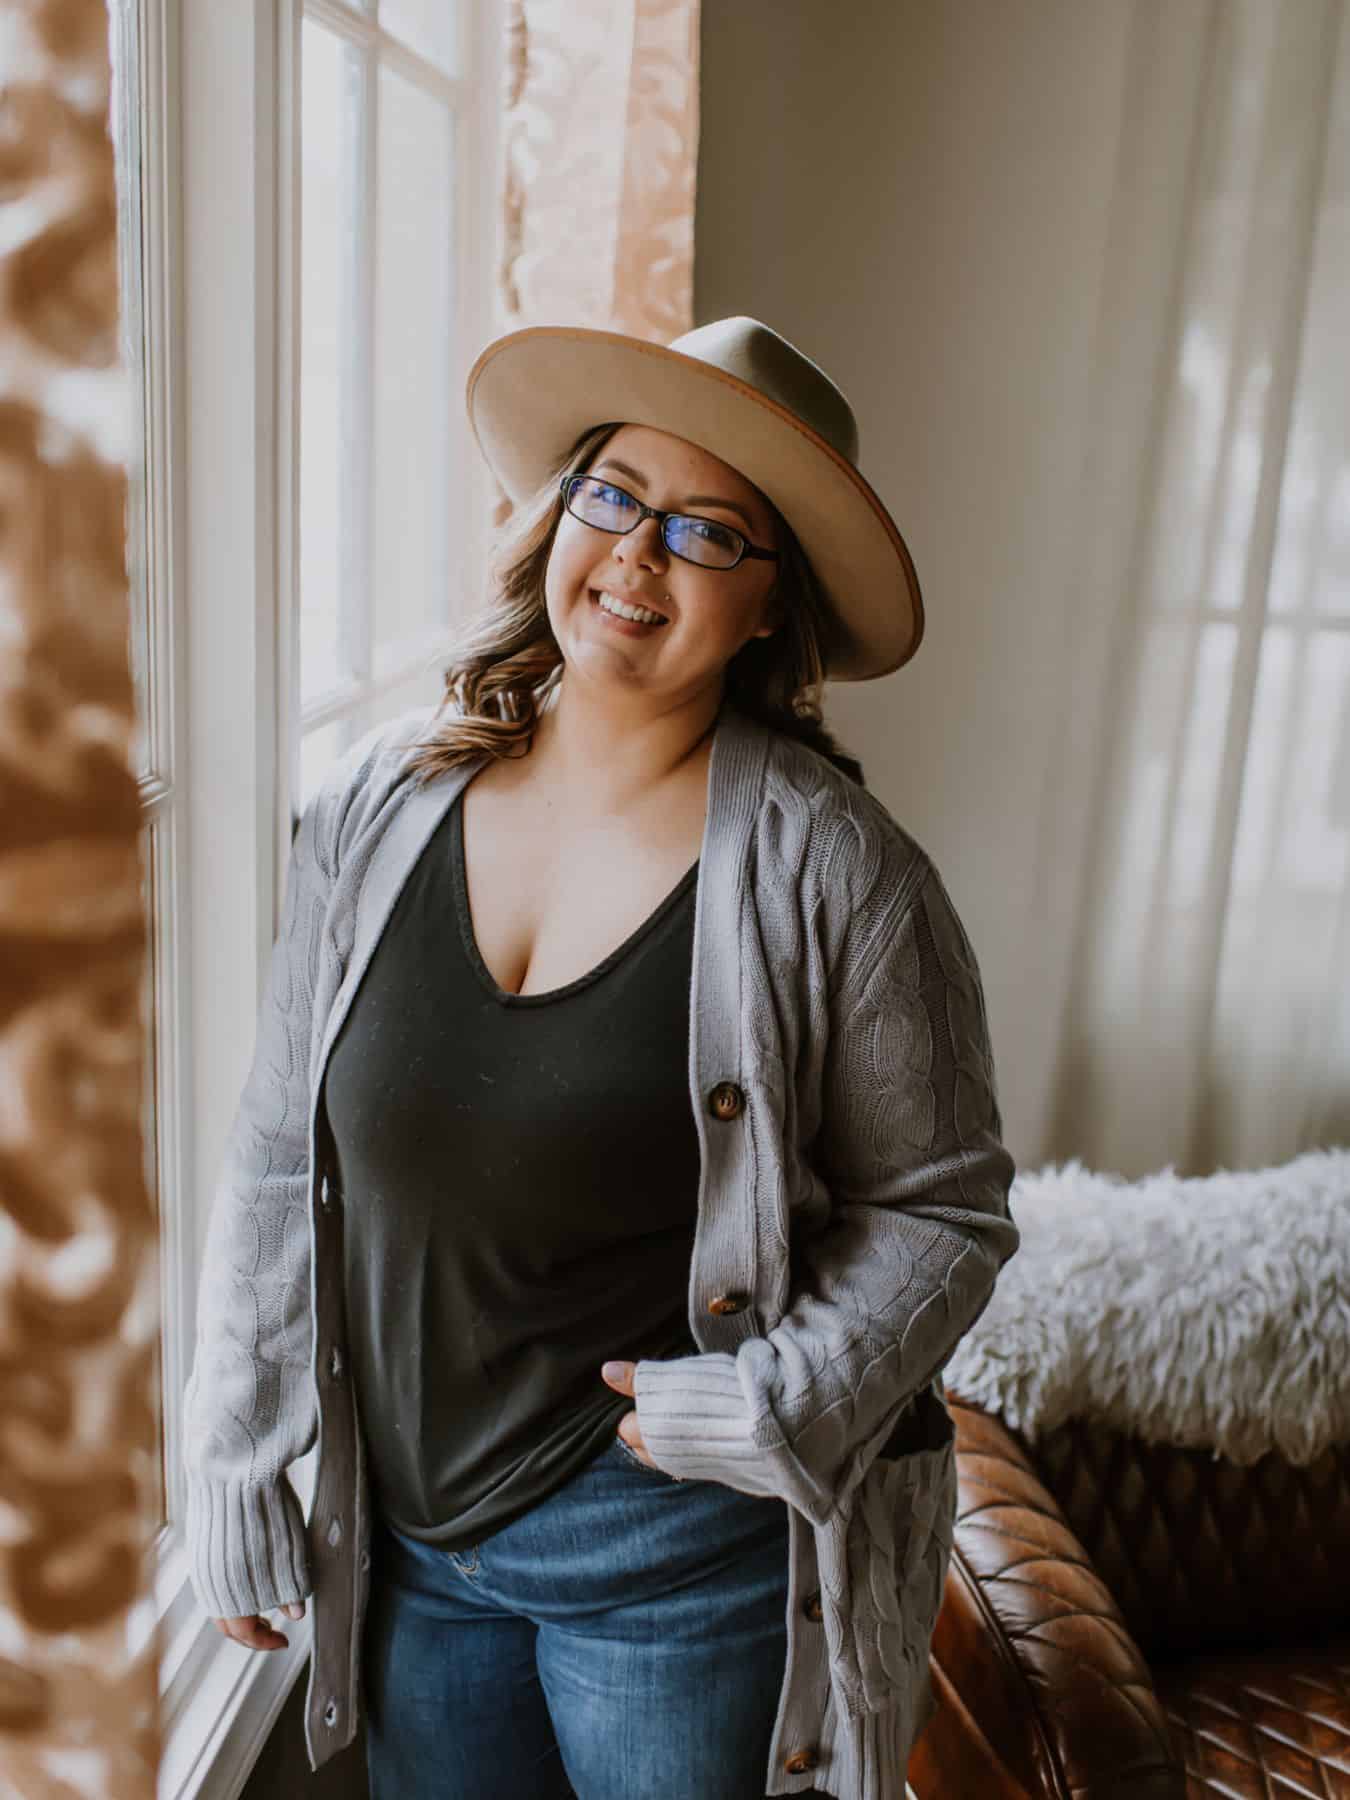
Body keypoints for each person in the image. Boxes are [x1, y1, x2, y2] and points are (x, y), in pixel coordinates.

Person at [182, 315, 1020, 1800]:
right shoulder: (378, 805)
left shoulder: (840, 877)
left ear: (770, 610)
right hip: (406, 1539)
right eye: (614, 495)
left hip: (666, 1558)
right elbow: (276, 1147)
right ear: (558, 514)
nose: (638, 556)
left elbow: (942, 1214)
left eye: (709, 532)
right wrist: (239, 1451)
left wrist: (767, 1401)